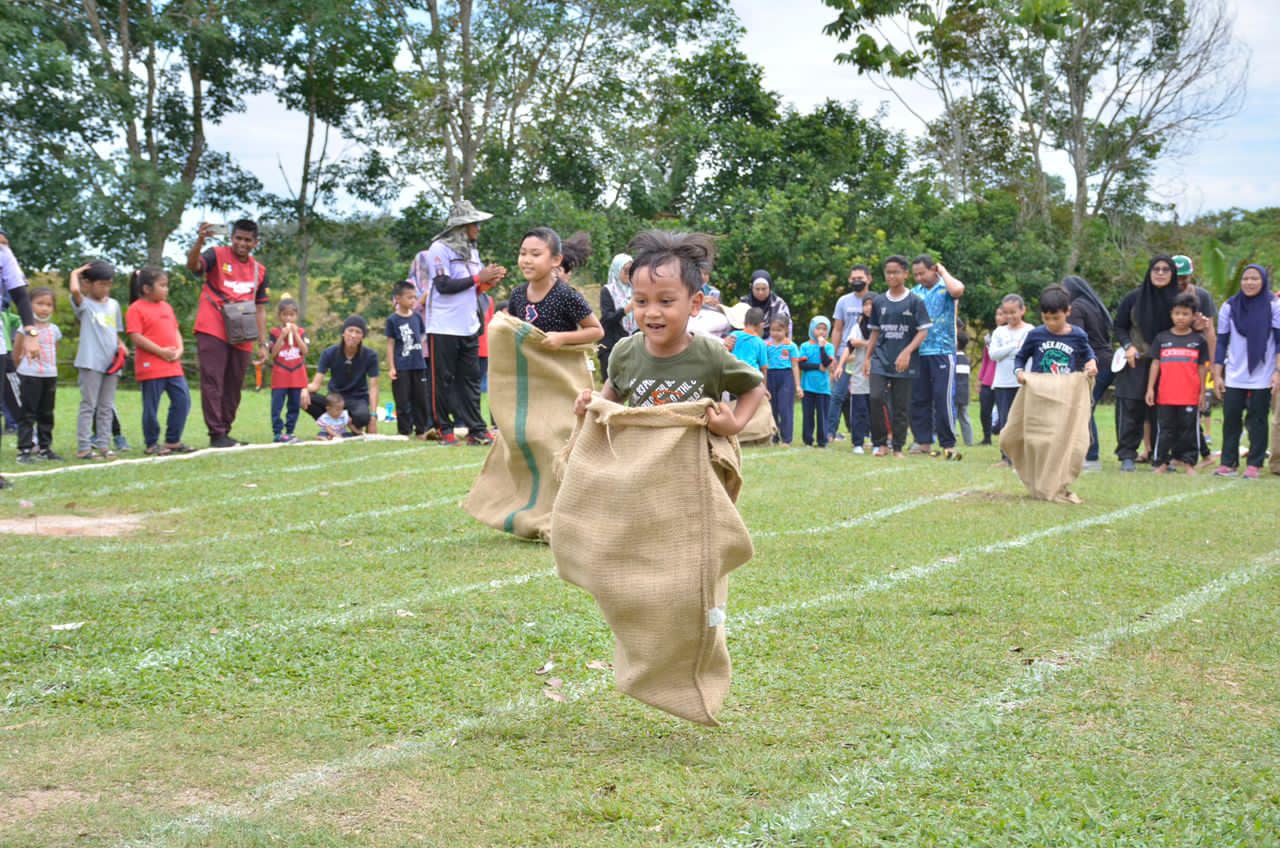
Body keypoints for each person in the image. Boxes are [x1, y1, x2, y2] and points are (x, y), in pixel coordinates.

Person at [573, 230, 765, 436]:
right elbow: (612, 396)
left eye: (665, 301)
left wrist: (734, 424)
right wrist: (593, 405)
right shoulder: (626, 351)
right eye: (641, 301)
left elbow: (755, 388)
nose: (652, 313)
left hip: (695, 464)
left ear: (695, 303)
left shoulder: (710, 353)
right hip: (642, 463)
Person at [409, 200, 506, 446]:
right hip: (443, 326)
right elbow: (442, 286)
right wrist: (477, 278)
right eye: (475, 224)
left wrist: (488, 281)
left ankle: (476, 429)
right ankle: (444, 428)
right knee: (443, 379)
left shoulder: (472, 252)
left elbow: (474, 288)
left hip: (468, 324)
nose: (478, 229)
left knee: (471, 379)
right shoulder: (438, 249)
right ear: (462, 226)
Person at [187, 219, 269, 448]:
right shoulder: (215, 255)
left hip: (242, 329)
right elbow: (193, 266)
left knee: (234, 384)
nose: (242, 243)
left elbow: (261, 308)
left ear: (256, 242)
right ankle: (216, 433)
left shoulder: (259, 270)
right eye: (238, 238)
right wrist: (200, 241)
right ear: (232, 237)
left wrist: (263, 344)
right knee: (213, 380)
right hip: (212, 325)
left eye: (247, 240)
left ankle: (225, 430)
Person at [1212, 264, 1280, 478]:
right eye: (1245, 279)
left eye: (1255, 279)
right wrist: (1217, 373)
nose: (1249, 283)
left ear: (1263, 281)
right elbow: (1222, 341)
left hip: (1263, 374)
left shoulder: (1274, 305)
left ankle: (1255, 464)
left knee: (1258, 419)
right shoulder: (1229, 307)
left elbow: (1279, 341)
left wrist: (1277, 371)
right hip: (1234, 373)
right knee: (1231, 418)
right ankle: (1228, 463)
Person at [1113, 256, 1179, 471]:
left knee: (1163, 412)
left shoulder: (1179, 300)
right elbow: (1119, 326)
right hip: (1136, 360)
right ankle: (1127, 455)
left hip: (1167, 363)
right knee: (1130, 408)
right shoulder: (1133, 298)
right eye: (1156, 269)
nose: (1160, 273)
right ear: (1149, 272)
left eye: (1165, 270)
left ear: (1172, 274)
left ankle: (1161, 457)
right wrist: (1127, 346)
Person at [864, 256, 932, 458]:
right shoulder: (878, 301)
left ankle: (898, 446)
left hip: (904, 362)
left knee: (901, 405)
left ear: (905, 274)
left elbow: (923, 332)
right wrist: (868, 358)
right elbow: (875, 332)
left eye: (896, 272)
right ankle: (880, 442)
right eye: (888, 272)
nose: (891, 276)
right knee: (875, 397)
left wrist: (907, 351)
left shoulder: (915, 302)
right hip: (880, 358)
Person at [126, 267, 193, 456]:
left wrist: (179, 350)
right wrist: (161, 352)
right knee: (151, 406)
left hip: (173, 365)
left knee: (183, 400)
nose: (166, 289)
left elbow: (175, 331)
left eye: (166, 285)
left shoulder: (166, 307)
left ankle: (173, 440)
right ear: (147, 289)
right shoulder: (136, 308)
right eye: (162, 286)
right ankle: (152, 443)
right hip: (151, 367)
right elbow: (136, 336)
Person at [1145, 291, 1209, 474]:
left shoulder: (1198, 341)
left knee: (1189, 431)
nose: (1180, 318)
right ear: (1171, 314)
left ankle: (1189, 463)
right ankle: (1161, 463)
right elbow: (1155, 363)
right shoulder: (1162, 339)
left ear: (1193, 316)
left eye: (1185, 314)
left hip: (1189, 395)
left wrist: (1203, 392)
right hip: (1165, 394)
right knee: (1165, 430)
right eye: (1177, 313)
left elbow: (1201, 368)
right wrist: (1150, 388)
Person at [908, 254, 966, 459]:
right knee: (919, 399)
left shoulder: (946, 288)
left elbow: (958, 289)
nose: (919, 278)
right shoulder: (914, 293)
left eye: (922, 273)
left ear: (934, 269)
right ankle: (923, 441)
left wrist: (943, 271)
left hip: (942, 352)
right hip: (919, 352)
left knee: (943, 398)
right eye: (915, 274)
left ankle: (948, 443)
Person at [507, 228, 605, 346]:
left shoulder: (565, 295)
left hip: (560, 363)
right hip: (527, 363)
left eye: (535, 254)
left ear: (556, 260)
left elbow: (597, 331)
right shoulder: (517, 294)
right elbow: (511, 328)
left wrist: (562, 338)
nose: (527, 260)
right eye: (523, 253)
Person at [69, 261, 124, 461]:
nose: (105, 288)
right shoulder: (84, 305)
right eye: (101, 284)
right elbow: (74, 289)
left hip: (111, 363)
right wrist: (76, 272)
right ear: (88, 284)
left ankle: (103, 444)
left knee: (106, 406)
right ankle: (84, 446)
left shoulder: (114, 305)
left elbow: (115, 332)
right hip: (90, 362)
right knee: (88, 405)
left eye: (108, 284)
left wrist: (121, 346)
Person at [1061, 275, 1114, 471]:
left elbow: (1077, 339)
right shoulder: (1093, 305)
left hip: (1095, 363)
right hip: (1107, 360)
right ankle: (1086, 452)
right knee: (1085, 407)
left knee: (1084, 408)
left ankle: (1091, 454)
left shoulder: (1076, 308)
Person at [1173, 254, 1219, 466]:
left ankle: (1203, 454)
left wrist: (1212, 363)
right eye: (1177, 276)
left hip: (1195, 358)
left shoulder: (1202, 296)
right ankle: (1179, 453)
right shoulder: (1163, 294)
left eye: (1184, 276)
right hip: (1172, 359)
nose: (1181, 281)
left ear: (1191, 275)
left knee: (1191, 407)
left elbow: (1210, 332)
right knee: (1174, 409)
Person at [303, 315, 380, 435]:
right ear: (343, 333)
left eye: (358, 332)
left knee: (363, 417)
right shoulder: (329, 353)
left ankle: (352, 424)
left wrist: (373, 417)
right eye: (350, 330)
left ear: (362, 336)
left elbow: (374, 387)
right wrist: (302, 389)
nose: (353, 335)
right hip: (334, 399)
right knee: (300, 397)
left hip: (357, 399)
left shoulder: (370, 356)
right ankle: (329, 426)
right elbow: (315, 385)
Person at [825, 264, 874, 439]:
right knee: (837, 394)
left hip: (868, 356)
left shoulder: (876, 300)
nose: (857, 281)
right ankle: (830, 432)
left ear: (869, 279)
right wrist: (834, 355)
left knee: (868, 396)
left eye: (860, 278)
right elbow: (838, 329)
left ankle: (867, 432)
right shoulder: (843, 301)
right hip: (845, 355)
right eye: (853, 279)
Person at [14, 286, 61, 462]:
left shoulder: (54, 330)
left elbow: (54, 351)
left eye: (49, 304)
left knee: (47, 413)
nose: (44, 308)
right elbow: (17, 351)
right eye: (40, 303)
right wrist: (22, 370)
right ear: (29, 305)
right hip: (29, 375)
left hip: (49, 376)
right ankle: (25, 450)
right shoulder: (24, 329)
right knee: (28, 414)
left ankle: (45, 448)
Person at [988, 293, 1034, 467]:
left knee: (1023, 420)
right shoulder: (999, 331)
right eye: (1006, 312)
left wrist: (1008, 351)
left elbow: (1026, 353)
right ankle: (1006, 457)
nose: (1010, 316)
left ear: (1022, 310)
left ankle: (1023, 457)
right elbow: (994, 354)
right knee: (1005, 421)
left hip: (1023, 382)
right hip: (1002, 382)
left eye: (1013, 312)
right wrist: (1013, 346)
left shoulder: (1030, 330)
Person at [1013, 285, 1098, 379]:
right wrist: (1019, 371)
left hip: (1066, 388)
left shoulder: (1078, 335)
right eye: (1046, 318)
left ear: (1068, 311)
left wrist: (1091, 364)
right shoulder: (1035, 335)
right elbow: (1020, 357)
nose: (1051, 323)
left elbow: (1089, 355)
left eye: (1056, 318)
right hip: (1039, 389)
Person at [386, 281, 431, 439]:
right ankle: (404, 430)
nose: (413, 301)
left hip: (418, 364)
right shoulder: (392, 320)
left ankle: (421, 430)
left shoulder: (417, 317)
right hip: (401, 365)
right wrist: (391, 367)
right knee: (402, 399)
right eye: (409, 297)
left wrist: (419, 350)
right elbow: (390, 344)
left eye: (414, 297)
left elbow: (423, 336)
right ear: (398, 298)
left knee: (420, 398)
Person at [833, 295, 874, 453]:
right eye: (865, 305)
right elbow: (849, 346)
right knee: (858, 408)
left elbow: (880, 345)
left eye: (871, 304)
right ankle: (858, 442)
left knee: (875, 409)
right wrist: (840, 366)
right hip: (859, 373)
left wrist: (863, 343)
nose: (868, 308)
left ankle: (877, 441)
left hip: (876, 373)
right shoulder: (857, 326)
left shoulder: (881, 325)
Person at [268, 297, 309, 444]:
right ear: (279, 316)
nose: (288, 318)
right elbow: (273, 353)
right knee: (277, 406)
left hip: (297, 376)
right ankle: (278, 432)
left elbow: (305, 351)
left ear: (296, 316)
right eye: (285, 315)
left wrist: (296, 335)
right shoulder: (274, 332)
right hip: (280, 376)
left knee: (293, 406)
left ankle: (290, 431)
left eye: (291, 315)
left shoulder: (302, 331)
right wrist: (282, 336)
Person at [797, 316, 835, 448]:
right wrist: (817, 367)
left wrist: (822, 347)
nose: (821, 332)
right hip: (807, 387)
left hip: (823, 388)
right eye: (818, 328)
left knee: (822, 415)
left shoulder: (829, 347)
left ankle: (822, 441)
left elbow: (827, 362)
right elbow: (802, 365)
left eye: (824, 329)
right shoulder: (805, 346)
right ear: (812, 329)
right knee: (808, 415)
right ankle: (808, 440)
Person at [765, 317, 801, 445]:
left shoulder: (791, 346)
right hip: (770, 376)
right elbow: (763, 366)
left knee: (785, 408)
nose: (775, 333)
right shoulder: (766, 346)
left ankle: (787, 439)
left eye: (779, 330)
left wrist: (797, 386)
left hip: (786, 376)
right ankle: (773, 437)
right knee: (771, 408)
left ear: (786, 330)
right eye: (772, 330)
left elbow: (795, 366)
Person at [599, 253, 634, 377]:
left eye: (632, 270)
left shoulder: (636, 290)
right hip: (612, 342)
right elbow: (607, 319)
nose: (629, 274)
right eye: (626, 270)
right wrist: (624, 311)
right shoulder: (608, 291)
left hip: (632, 342)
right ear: (617, 270)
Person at [977, 305, 1003, 445]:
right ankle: (986, 438)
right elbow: (986, 360)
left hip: (1003, 379)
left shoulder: (1011, 335)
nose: (998, 317)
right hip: (988, 379)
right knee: (984, 410)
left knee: (1004, 410)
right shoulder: (989, 337)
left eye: (1001, 314)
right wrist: (980, 379)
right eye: (997, 314)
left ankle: (1002, 434)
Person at [742, 270, 792, 336]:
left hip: (775, 342)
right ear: (752, 288)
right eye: (757, 289)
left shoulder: (779, 304)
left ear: (769, 288)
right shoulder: (743, 304)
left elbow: (786, 327)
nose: (760, 292)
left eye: (764, 289)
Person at [726, 307, 769, 376]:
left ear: (745, 322)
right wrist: (764, 385)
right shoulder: (760, 342)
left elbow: (725, 353)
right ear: (761, 324)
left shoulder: (733, 335)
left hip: (733, 374)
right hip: (751, 376)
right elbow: (763, 368)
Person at [954, 322, 973, 447]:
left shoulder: (953, 359)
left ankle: (952, 439)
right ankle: (969, 441)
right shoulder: (967, 360)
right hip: (965, 394)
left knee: (952, 418)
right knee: (965, 418)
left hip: (954, 394)